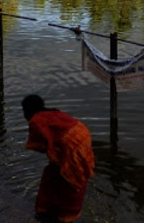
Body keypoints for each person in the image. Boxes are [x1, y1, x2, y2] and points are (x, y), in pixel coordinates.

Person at [22, 95, 95, 223]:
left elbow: (41, 147)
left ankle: (64, 217)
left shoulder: (36, 120)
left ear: (27, 110)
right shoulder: (53, 112)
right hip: (82, 134)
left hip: (71, 144)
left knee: (71, 181)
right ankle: (50, 209)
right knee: (59, 174)